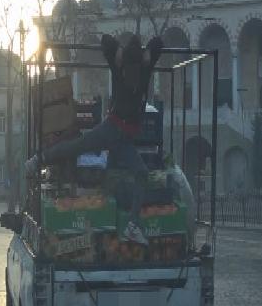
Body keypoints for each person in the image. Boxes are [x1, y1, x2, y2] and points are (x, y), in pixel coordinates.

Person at [26, 33, 163, 245]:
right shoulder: (119, 68)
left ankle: (132, 225)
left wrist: (147, 53)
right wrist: (117, 50)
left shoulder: (144, 69)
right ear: (124, 64)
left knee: (141, 173)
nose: (131, 75)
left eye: (134, 70)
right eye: (129, 69)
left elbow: (158, 43)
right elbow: (105, 40)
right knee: (77, 147)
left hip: (125, 138)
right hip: (112, 128)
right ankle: (39, 159)